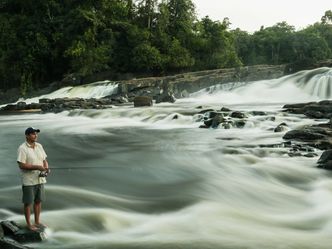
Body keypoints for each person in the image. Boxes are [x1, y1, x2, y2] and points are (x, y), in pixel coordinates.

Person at [17, 127, 49, 231]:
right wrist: (38, 167)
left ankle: (37, 222)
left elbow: (44, 160)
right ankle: (29, 224)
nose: (36, 135)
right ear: (27, 135)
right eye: (33, 134)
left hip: (40, 178)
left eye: (36, 134)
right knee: (28, 203)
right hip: (29, 180)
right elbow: (21, 165)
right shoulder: (22, 148)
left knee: (38, 201)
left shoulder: (39, 146)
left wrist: (46, 168)